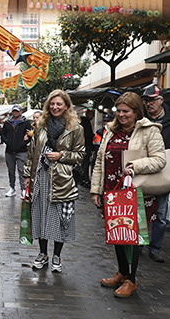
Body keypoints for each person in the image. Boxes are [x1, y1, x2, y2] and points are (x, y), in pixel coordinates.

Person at [91, 91, 166, 297]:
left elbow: (160, 160)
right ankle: (122, 272)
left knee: (132, 236)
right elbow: (100, 161)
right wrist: (96, 190)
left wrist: (135, 165)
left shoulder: (149, 131)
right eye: (119, 111)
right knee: (117, 233)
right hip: (112, 190)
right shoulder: (110, 131)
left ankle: (131, 280)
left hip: (135, 191)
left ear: (136, 112)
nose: (121, 115)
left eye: (126, 111)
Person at [25, 90, 84, 274]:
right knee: (41, 217)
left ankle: (57, 256)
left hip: (62, 180)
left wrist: (61, 155)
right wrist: (27, 175)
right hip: (41, 178)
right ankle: (43, 254)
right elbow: (31, 152)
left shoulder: (75, 128)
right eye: (52, 104)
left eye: (59, 104)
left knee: (60, 221)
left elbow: (81, 155)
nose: (55, 107)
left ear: (66, 106)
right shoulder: (40, 126)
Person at [142, 83, 170, 263]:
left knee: (160, 212)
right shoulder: (140, 120)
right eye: (146, 100)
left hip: (163, 170)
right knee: (141, 210)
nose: (148, 104)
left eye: (152, 100)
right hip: (143, 168)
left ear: (160, 100)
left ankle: (155, 247)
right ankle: (139, 242)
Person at [1, 104, 32, 196]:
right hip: (9, 151)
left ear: (20, 112)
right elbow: (3, 134)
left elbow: (30, 134)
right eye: (14, 111)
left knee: (22, 171)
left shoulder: (25, 122)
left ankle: (23, 189)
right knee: (11, 171)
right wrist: (7, 142)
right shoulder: (7, 123)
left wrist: (23, 143)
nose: (15, 113)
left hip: (22, 151)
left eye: (17, 111)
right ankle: (12, 188)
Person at [79, 108, 95, 187]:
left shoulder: (83, 121)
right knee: (85, 163)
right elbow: (88, 134)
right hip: (86, 145)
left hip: (84, 145)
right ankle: (84, 178)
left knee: (85, 163)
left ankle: (83, 178)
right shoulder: (85, 122)